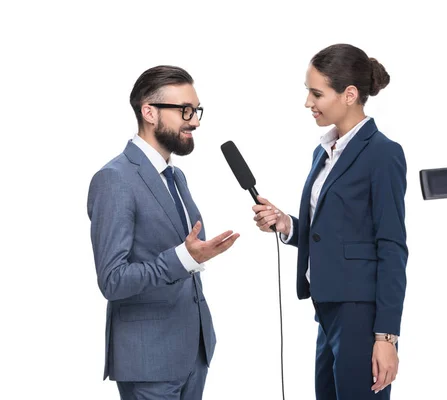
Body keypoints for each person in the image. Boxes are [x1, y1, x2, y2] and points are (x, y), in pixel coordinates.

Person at [252, 44, 408, 400]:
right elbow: (330, 231)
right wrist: (286, 224)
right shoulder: (324, 151)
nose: (308, 102)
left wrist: (386, 336)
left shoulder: (382, 153)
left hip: (359, 312)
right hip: (326, 307)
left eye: (317, 93)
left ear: (349, 95)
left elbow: (392, 245)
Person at [87, 65, 239, 400]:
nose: (195, 121)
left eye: (196, 110)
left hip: (192, 352)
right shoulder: (115, 180)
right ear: (149, 112)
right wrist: (184, 258)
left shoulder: (175, 176)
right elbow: (112, 280)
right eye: (185, 110)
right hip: (148, 361)